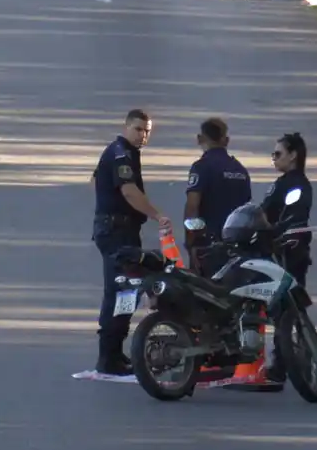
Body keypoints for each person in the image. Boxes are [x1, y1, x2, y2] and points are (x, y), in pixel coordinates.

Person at [91, 108, 172, 376]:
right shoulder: (121, 153)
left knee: (126, 291)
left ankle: (114, 354)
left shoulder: (121, 152)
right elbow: (128, 190)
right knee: (121, 290)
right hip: (116, 232)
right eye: (138, 129)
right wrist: (156, 214)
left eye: (147, 130)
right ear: (126, 127)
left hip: (120, 230)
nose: (143, 135)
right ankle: (108, 357)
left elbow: (95, 179)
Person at [182, 117, 252, 274]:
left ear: (200, 139)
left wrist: (191, 243)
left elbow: (193, 206)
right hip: (237, 246)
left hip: (208, 245)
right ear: (226, 140)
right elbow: (247, 209)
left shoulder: (201, 167)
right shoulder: (240, 170)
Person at [261, 132, 313, 289]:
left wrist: (270, 228)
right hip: (278, 248)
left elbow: (292, 215)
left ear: (292, 156)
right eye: (273, 154)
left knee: (288, 298)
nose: (274, 158)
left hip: (287, 252)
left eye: (278, 154)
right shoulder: (285, 182)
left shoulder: (296, 184)